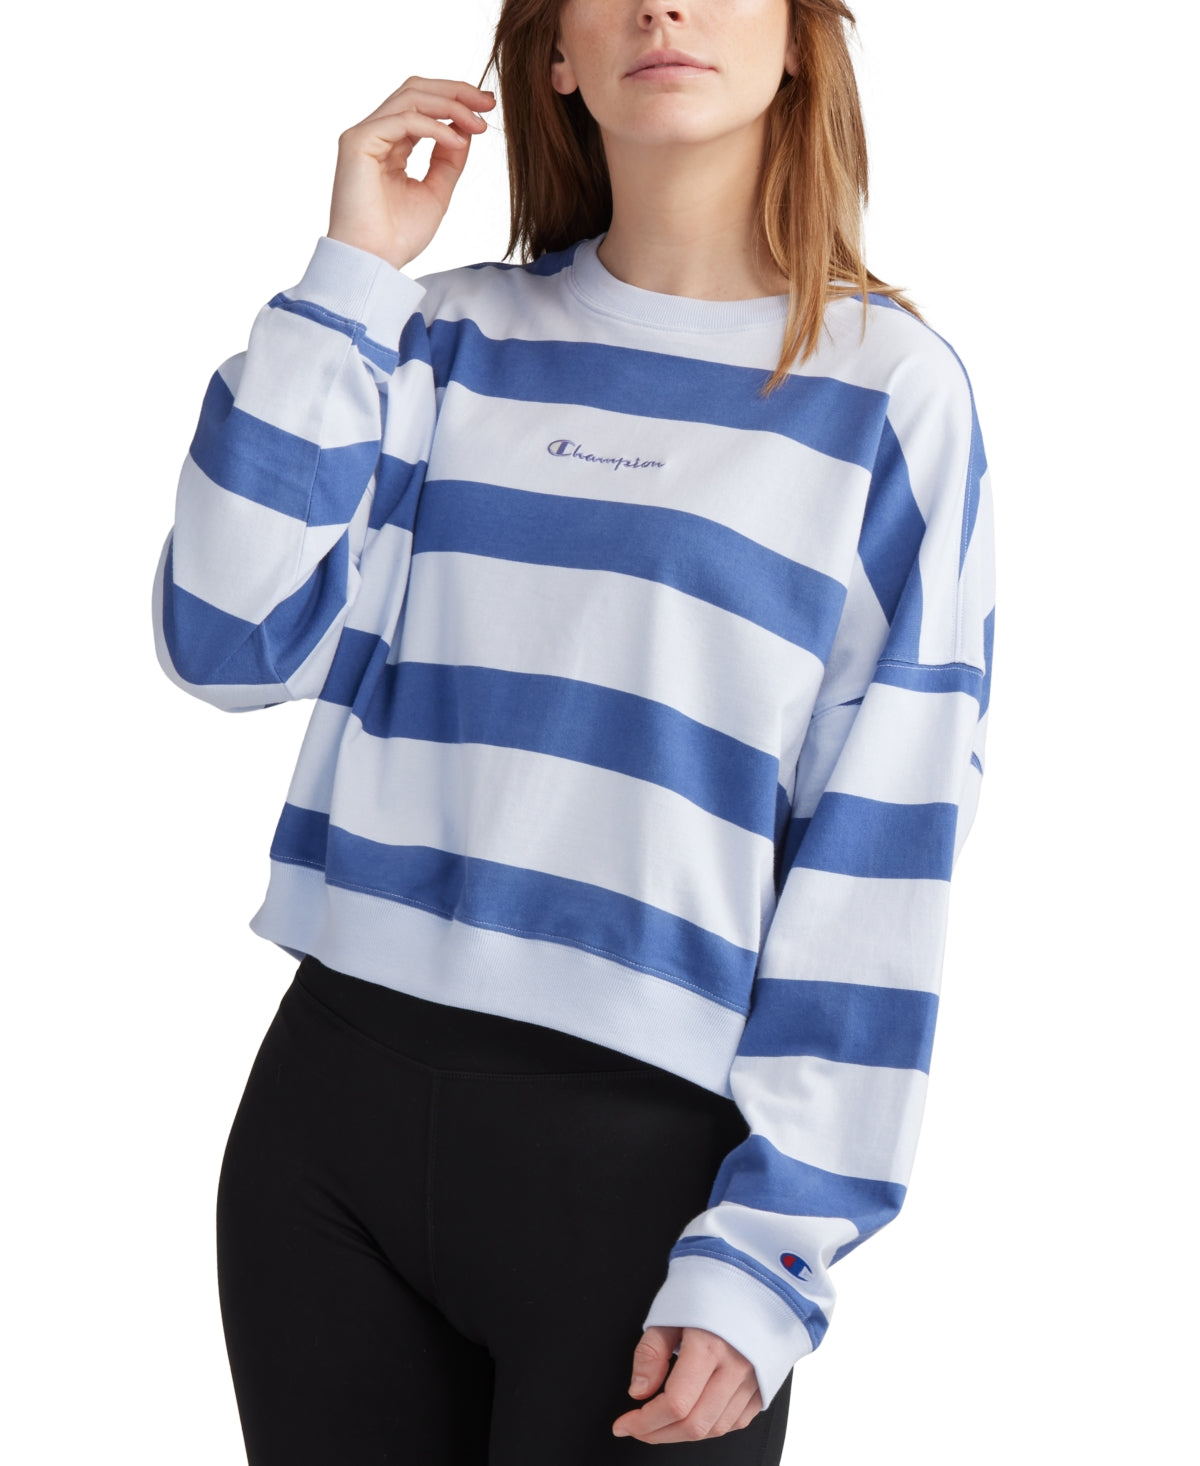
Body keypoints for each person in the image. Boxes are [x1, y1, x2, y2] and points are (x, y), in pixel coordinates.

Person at [150, 0, 996, 1461]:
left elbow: (887, 837)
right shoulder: (439, 335)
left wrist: (777, 1245)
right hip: (330, 1119)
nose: (663, 6)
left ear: (801, 40)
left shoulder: (886, 391)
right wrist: (350, 272)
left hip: (644, 1173)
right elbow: (221, 639)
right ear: (554, 56)